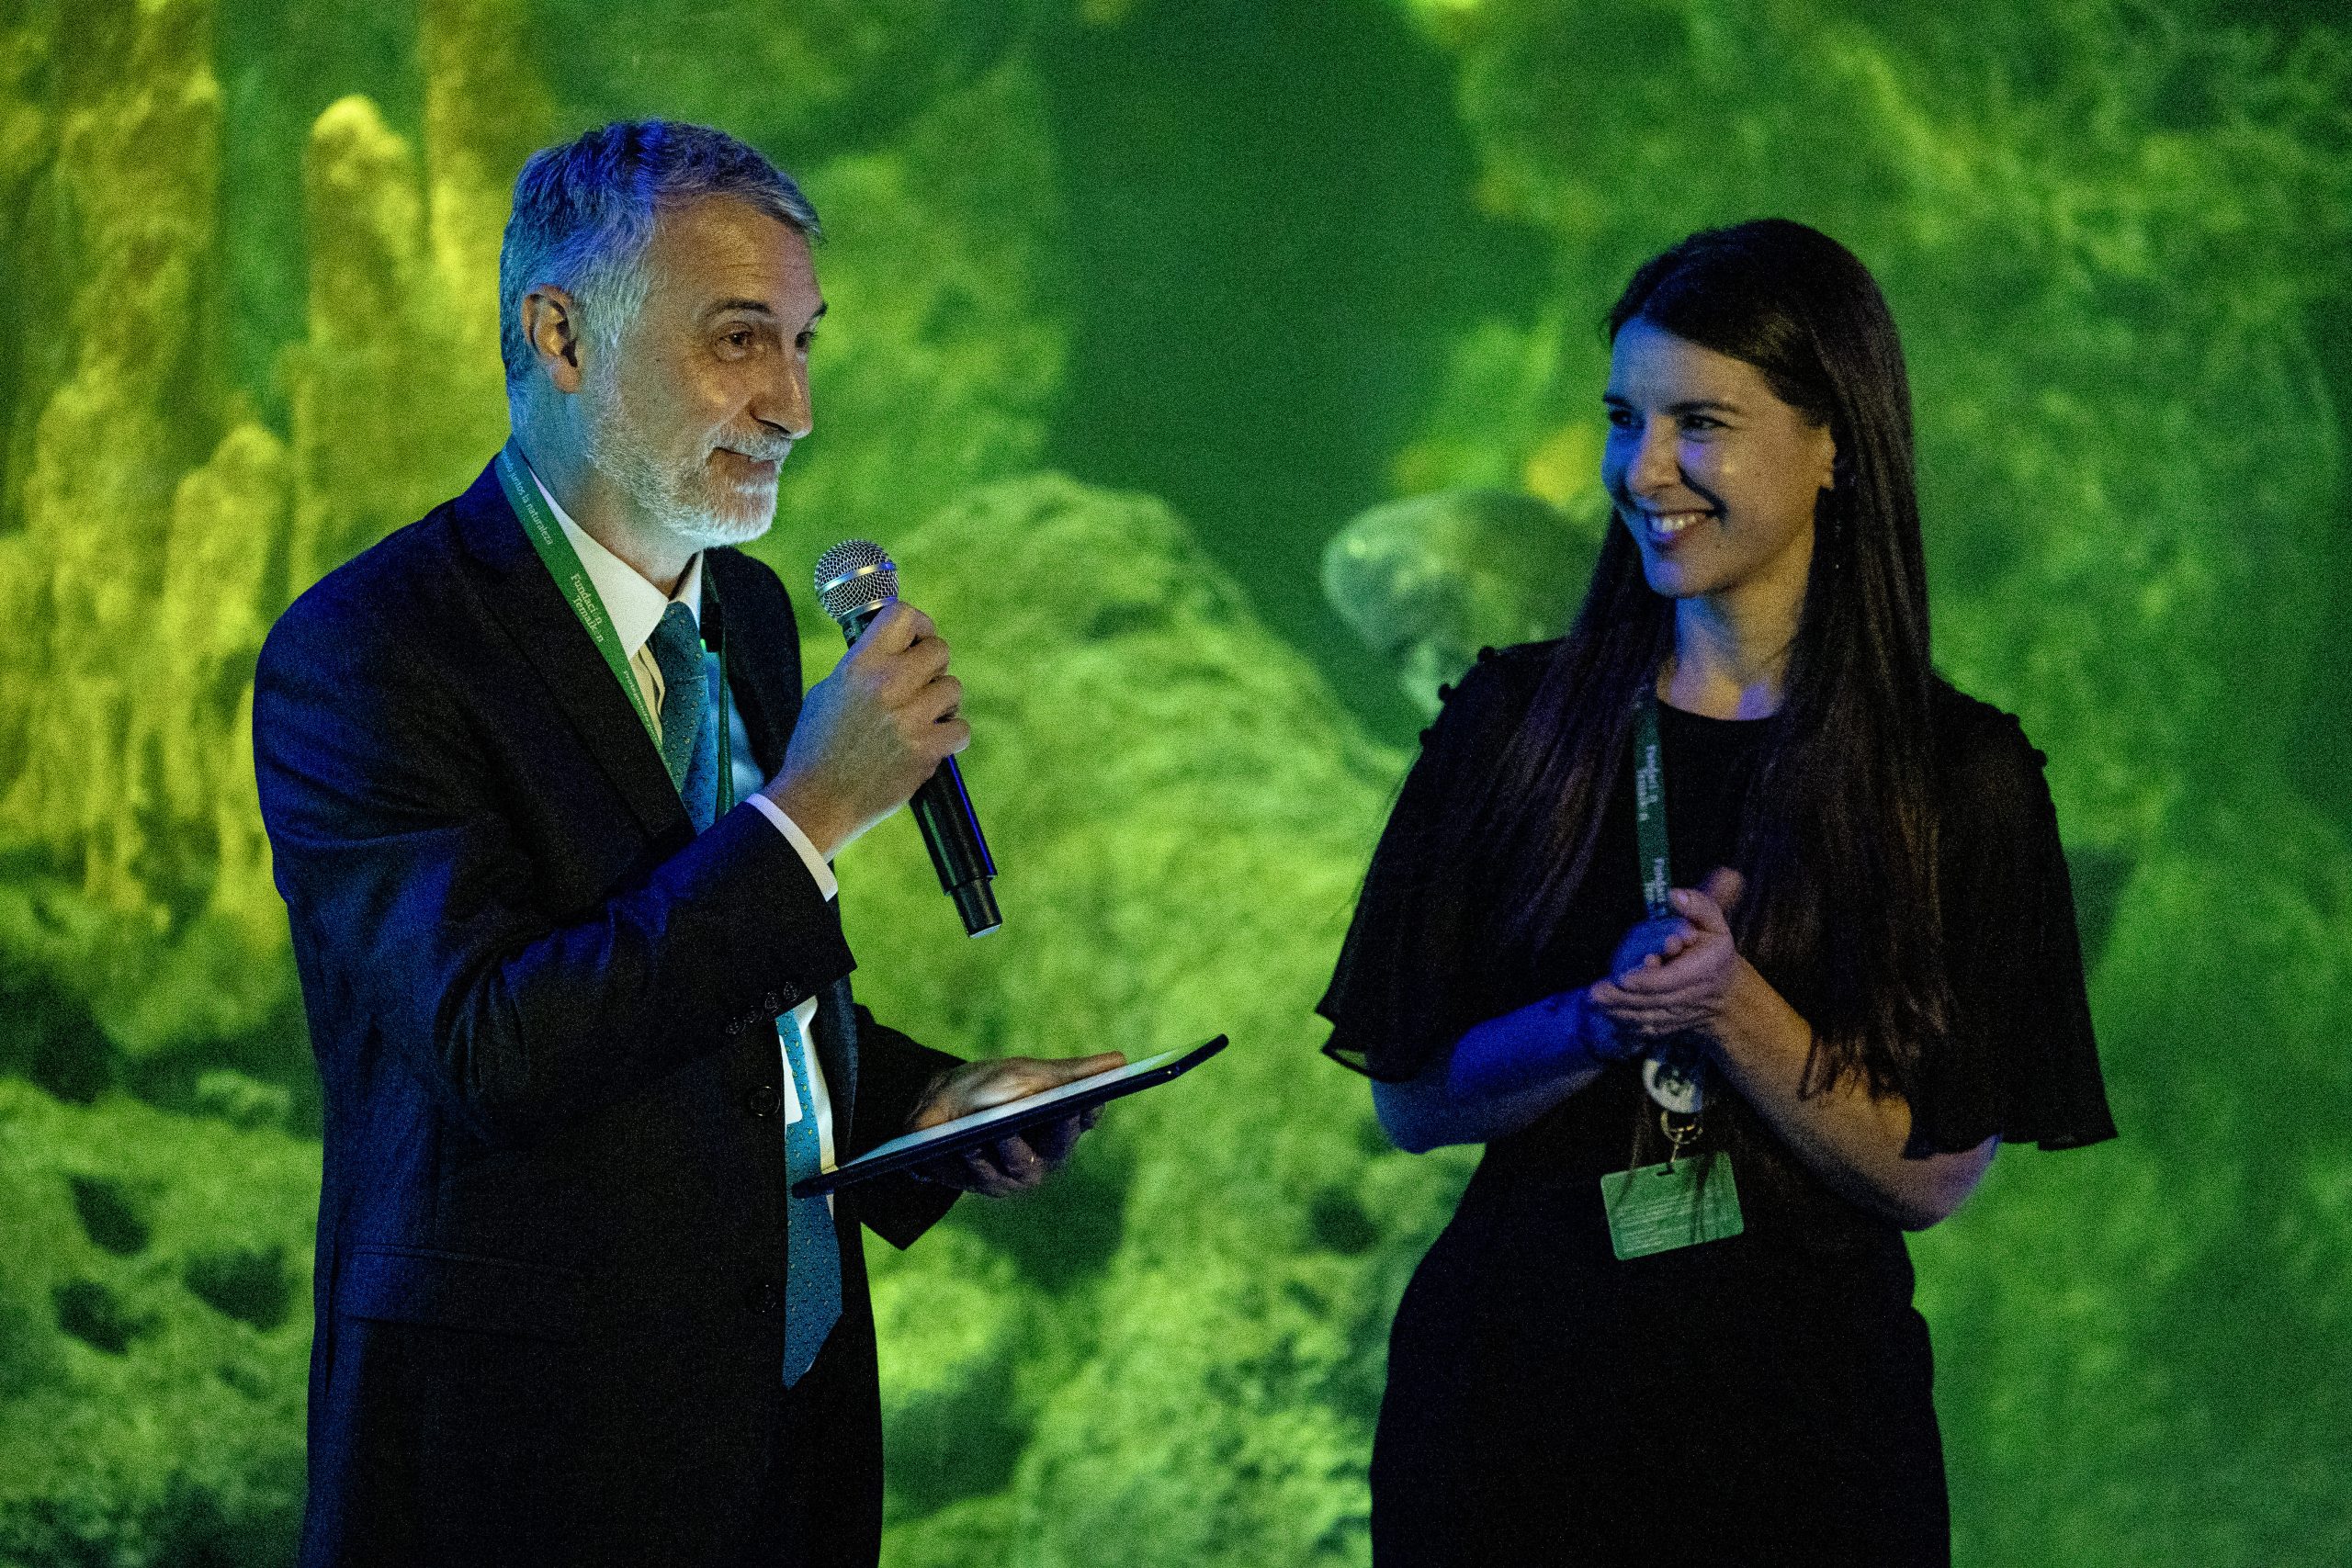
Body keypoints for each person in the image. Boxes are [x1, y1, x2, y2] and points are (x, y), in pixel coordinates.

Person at [254, 120, 1118, 1568]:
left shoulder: (754, 617)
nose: (794, 406)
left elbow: (722, 1013)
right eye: (738, 340)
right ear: (561, 336)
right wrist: (814, 809)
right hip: (524, 1465)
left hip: (788, 1433)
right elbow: (496, 1046)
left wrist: (926, 1104)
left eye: (803, 341)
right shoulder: (373, 650)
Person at [1317, 219, 2116, 1566]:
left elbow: (1933, 1175)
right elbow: (1412, 1097)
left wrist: (1731, 1007)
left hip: (1807, 1445)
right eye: (1624, 419)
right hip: (1511, 1418)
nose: (1645, 470)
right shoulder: (1508, 725)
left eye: (1701, 423)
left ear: (1835, 442)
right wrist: (1600, 1018)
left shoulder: (1960, 778)